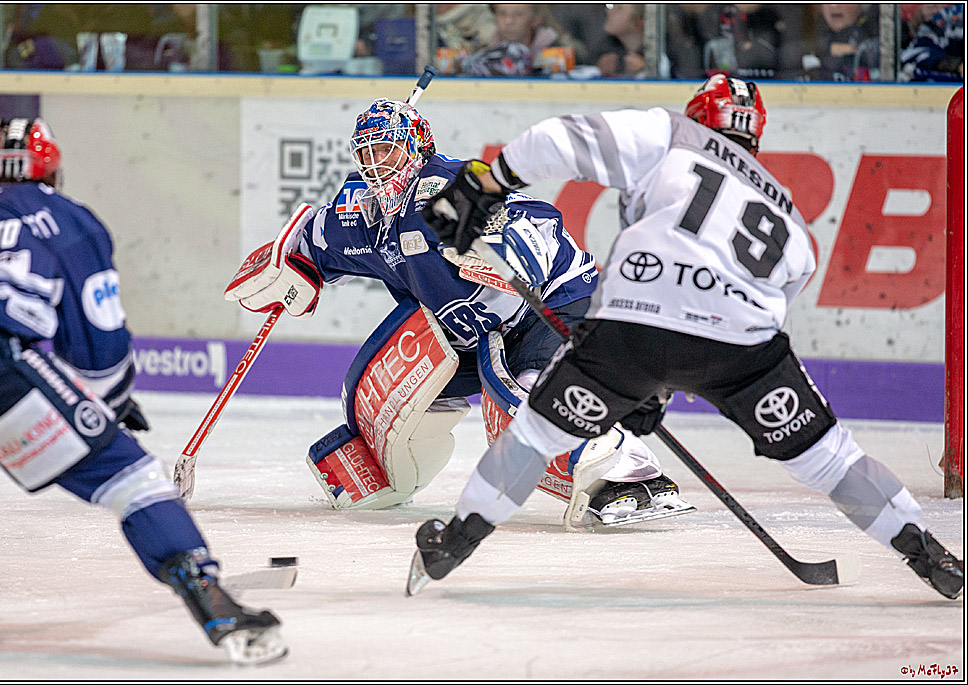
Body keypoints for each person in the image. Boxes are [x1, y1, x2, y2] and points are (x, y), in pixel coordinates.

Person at [412, 74, 964, 601]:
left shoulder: (671, 136)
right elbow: (760, 304)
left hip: (634, 329)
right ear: (756, 134)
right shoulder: (790, 219)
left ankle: (456, 540)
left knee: (536, 434)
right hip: (742, 346)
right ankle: (926, 551)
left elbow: (562, 138)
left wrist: (485, 183)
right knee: (829, 457)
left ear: (699, 115)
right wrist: (671, 381)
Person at [224, 96, 694, 529]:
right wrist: (285, 265)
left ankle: (631, 475)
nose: (374, 165)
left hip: (549, 304)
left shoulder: (447, 189)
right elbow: (314, 239)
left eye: (385, 151)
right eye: (365, 154)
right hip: (471, 332)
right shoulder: (361, 218)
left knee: (528, 393)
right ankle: (393, 472)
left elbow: (535, 219)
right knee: (388, 387)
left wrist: (511, 255)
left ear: (417, 149)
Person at [0, 118, 287, 664]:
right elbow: (98, 344)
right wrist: (108, 405)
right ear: (53, 169)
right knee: (133, 479)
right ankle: (211, 598)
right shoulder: (70, 219)